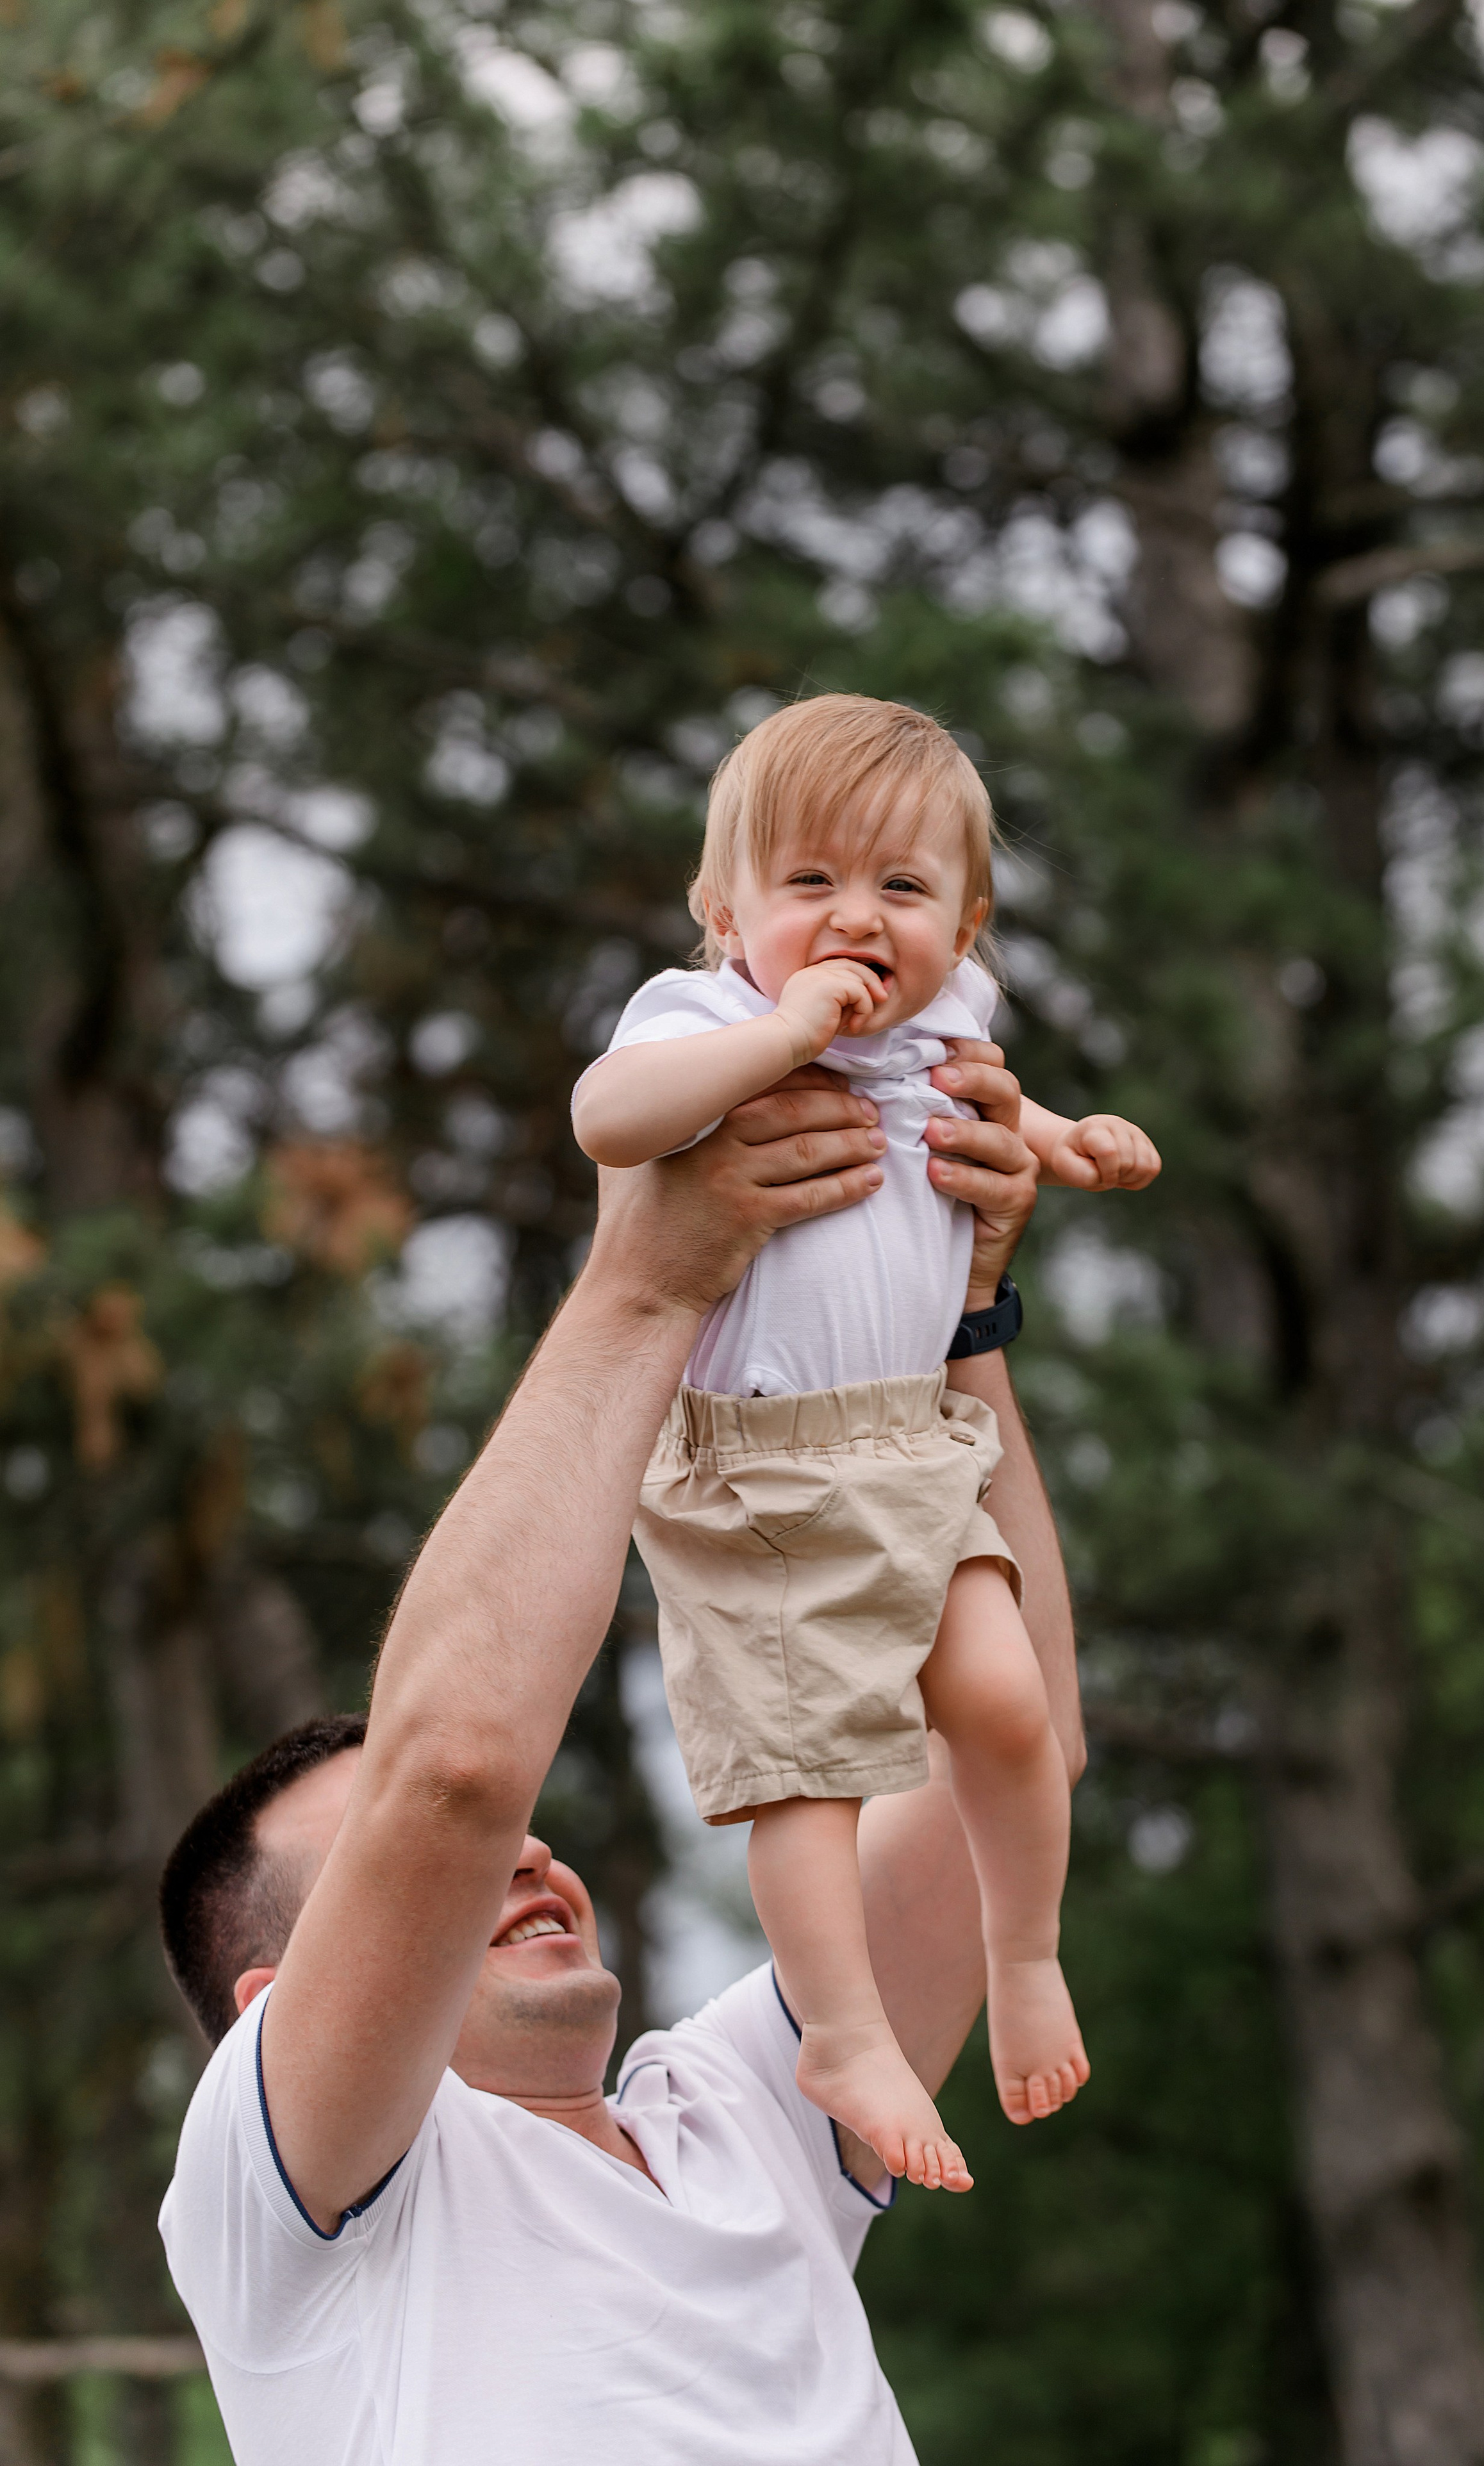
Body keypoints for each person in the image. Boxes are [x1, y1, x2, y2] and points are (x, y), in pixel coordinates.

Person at [158, 1055, 1084, 2466]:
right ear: (283, 2010)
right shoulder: (289, 2199)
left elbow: (1016, 1759)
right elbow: (456, 1774)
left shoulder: (744, 2117)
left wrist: (959, 1319)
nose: (523, 1846)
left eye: (529, 1835)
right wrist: (647, 1280)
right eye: (390, 1872)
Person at [573, 694, 1159, 2190]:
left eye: (900, 888)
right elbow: (608, 1117)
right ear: (725, 913)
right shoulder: (704, 1016)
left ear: (961, 930)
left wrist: (1065, 1139)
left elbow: (989, 1112)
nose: (855, 921)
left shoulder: (945, 1029)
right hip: (759, 1471)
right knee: (807, 1775)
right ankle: (841, 2028)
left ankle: (1021, 1955)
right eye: (810, 884)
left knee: (1010, 1715)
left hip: (909, 1443)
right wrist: (773, 1035)